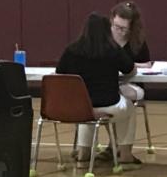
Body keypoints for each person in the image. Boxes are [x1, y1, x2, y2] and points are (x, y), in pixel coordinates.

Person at [56, 14, 141, 167]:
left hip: (80, 107)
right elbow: (130, 70)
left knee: (87, 109)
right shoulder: (113, 49)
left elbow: (60, 75)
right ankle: (126, 154)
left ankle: (84, 153)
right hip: (109, 105)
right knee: (129, 108)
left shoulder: (71, 50)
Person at [109, 0, 151, 102]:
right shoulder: (104, 36)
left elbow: (147, 65)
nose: (118, 30)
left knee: (119, 93)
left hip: (131, 82)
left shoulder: (137, 41)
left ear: (131, 28)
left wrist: (128, 65)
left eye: (123, 28)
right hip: (108, 82)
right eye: (116, 26)